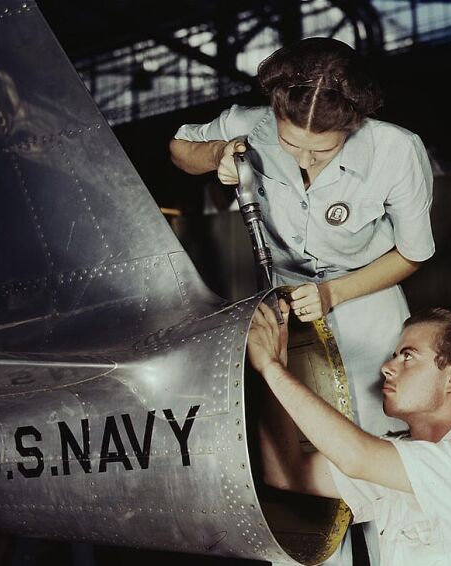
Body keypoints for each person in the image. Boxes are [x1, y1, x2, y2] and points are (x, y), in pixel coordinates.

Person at [170, 36, 435, 563]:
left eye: (324, 148)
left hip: (363, 296)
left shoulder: (397, 150)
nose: (305, 159)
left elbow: (413, 252)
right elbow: (179, 148)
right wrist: (218, 154)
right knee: (296, 454)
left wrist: (334, 292)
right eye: (292, 146)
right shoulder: (254, 124)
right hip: (282, 302)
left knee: (377, 450)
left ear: (354, 124)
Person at [247, 300, 451, 566]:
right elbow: (285, 474)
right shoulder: (397, 460)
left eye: (408, 357)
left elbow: (357, 457)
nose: (387, 367)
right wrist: (274, 367)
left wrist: (273, 368)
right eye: (394, 356)